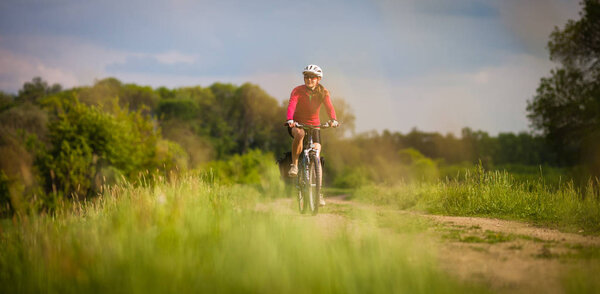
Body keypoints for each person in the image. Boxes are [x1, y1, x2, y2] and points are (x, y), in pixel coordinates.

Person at [286, 64, 339, 205]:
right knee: (300, 134)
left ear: (318, 79)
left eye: (312, 77)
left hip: (315, 126)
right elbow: (291, 105)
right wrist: (290, 119)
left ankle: (318, 193)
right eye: (306, 77)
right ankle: (295, 165)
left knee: (316, 152)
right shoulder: (297, 91)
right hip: (297, 124)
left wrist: (333, 119)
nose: (309, 80)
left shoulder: (323, 92)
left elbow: (329, 107)